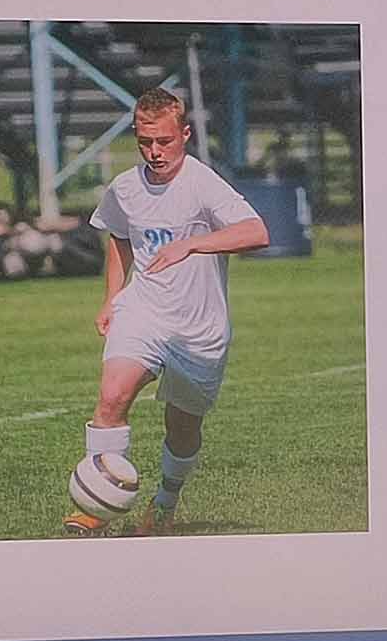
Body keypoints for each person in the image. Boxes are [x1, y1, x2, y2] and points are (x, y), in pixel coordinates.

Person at [66, 87, 269, 534]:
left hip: (199, 330)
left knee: (181, 428)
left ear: (185, 134)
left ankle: (164, 503)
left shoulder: (202, 183)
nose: (155, 152)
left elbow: (257, 232)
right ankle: (96, 508)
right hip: (144, 311)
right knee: (112, 395)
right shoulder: (125, 187)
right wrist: (112, 296)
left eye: (164, 141)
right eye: (145, 142)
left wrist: (193, 243)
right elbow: (119, 236)